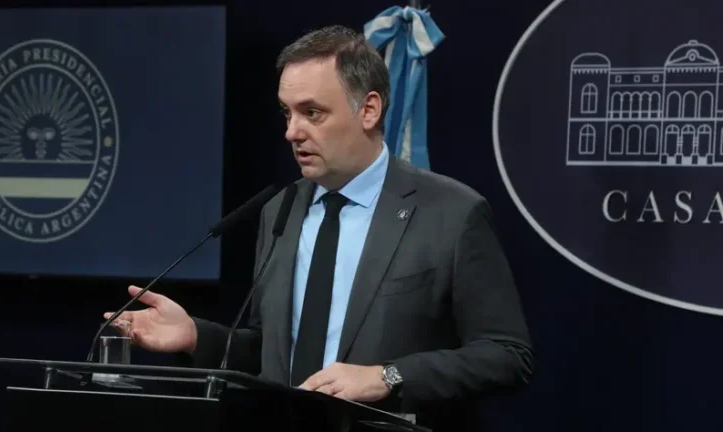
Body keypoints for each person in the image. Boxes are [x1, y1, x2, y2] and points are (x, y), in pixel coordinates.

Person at [105, 25, 534, 430]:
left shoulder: (450, 212)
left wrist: (388, 376)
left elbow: (506, 355)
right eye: (287, 114)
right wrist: (197, 337)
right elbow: (270, 352)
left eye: (312, 113)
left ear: (369, 110)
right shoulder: (280, 209)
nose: (292, 132)